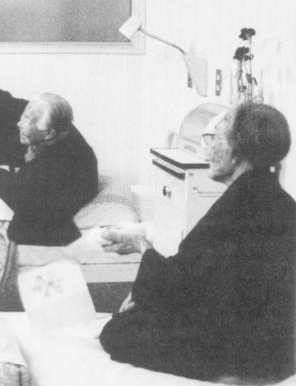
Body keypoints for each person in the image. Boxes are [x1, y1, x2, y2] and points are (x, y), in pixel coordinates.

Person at [99, 103, 295, 383]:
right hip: (277, 348)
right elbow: (206, 279)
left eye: (215, 138)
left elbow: (181, 285)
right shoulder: (276, 198)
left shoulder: (238, 205)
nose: (208, 146)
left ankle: (230, 375)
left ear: (238, 149)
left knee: (118, 332)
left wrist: (143, 248)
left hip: (244, 350)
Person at [0, 64, 98, 246]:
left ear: (49, 133)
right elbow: (13, 106)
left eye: (27, 120)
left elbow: (18, 196)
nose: (20, 123)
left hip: (66, 187)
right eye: (25, 116)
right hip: (41, 161)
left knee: (27, 222)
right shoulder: (54, 121)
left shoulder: (61, 163)